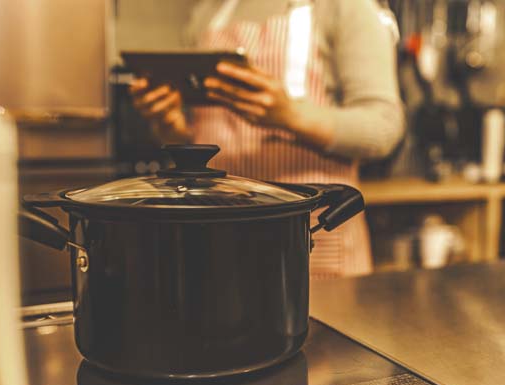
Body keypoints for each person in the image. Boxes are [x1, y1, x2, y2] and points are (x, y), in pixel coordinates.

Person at [130, 0, 405, 279]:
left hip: (310, 239)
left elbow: (383, 128)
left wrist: (290, 115)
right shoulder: (208, 13)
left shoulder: (345, 7)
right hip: (215, 239)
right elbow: (198, 132)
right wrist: (169, 125)